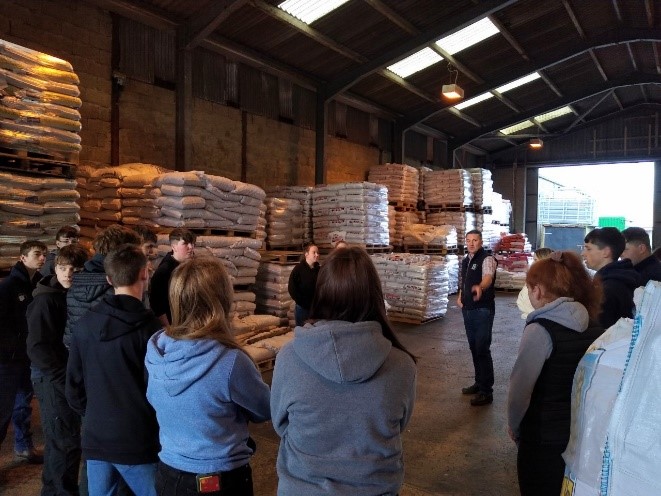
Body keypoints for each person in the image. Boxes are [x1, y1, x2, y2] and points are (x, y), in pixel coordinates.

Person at [271, 246, 417, 496]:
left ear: (322, 291)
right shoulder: (402, 365)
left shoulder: (288, 357)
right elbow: (398, 425)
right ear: (374, 294)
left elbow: (281, 424)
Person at [145, 255, 271, 496]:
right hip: (218, 478)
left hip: (169, 473)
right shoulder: (230, 361)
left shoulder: (157, 350)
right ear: (221, 299)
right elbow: (264, 409)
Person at [66, 244, 161, 496]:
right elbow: (158, 390)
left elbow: (73, 386)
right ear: (144, 274)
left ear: (109, 279)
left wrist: (96, 413)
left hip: (97, 436)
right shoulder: (151, 331)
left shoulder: (85, 324)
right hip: (138, 439)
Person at [507, 251, 604, 496]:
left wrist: (515, 426)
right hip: (580, 433)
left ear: (537, 290)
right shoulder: (593, 325)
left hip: (542, 437)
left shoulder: (540, 329)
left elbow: (520, 391)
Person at [27, 244, 89, 495]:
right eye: (63, 268)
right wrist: (64, 380)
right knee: (64, 442)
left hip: (65, 377)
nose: (68, 274)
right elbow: (38, 348)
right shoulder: (45, 299)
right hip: (50, 378)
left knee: (66, 441)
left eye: (74, 269)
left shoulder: (74, 296)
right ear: (56, 268)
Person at [0, 240, 47, 464]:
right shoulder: (8, 286)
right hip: (9, 359)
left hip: (28, 356)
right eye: (37, 254)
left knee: (23, 404)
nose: (42, 258)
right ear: (23, 258)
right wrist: (11, 347)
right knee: (3, 410)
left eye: (44, 254)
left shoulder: (40, 285)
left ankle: (23, 445)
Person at [65, 224, 142, 348]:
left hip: (78, 353)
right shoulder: (119, 286)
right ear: (124, 252)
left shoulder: (76, 282)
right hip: (108, 357)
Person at [457, 229, 497, 406]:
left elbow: (488, 277)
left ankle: (486, 392)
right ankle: (479, 383)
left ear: (481, 242)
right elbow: (463, 281)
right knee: (474, 348)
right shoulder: (466, 260)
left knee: (482, 348)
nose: (471, 243)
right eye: (468, 240)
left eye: (475, 240)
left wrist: (481, 287)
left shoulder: (486, 259)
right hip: (468, 309)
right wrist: (460, 296)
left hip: (482, 310)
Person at [583, 227, 639, 329]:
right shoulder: (625, 277)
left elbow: (600, 329)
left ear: (606, 252)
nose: (583, 254)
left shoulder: (607, 288)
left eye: (588, 249)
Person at [149, 228, 196, 326]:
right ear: (174, 247)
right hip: (173, 325)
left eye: (192, 243)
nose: (191, 247)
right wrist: (169, 329)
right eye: (185, 244)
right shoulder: (164, 271)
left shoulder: (191, 264)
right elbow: (157, 305)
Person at [287, 242, 320, 326]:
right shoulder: (298, 269)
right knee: (302, 331)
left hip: (316, 308)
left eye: (317, 253)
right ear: (306, 254)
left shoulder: (319, 270)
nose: (317, 255)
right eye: (314, 252)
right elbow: (292, 288)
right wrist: (302, 302)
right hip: (302, 308)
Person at [516, 247, 554, 319]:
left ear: (544, 260)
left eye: (535, 260)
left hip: (538, 317)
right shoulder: (537, 277)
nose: (533, 263)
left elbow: (528, 302)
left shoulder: (546, 280)